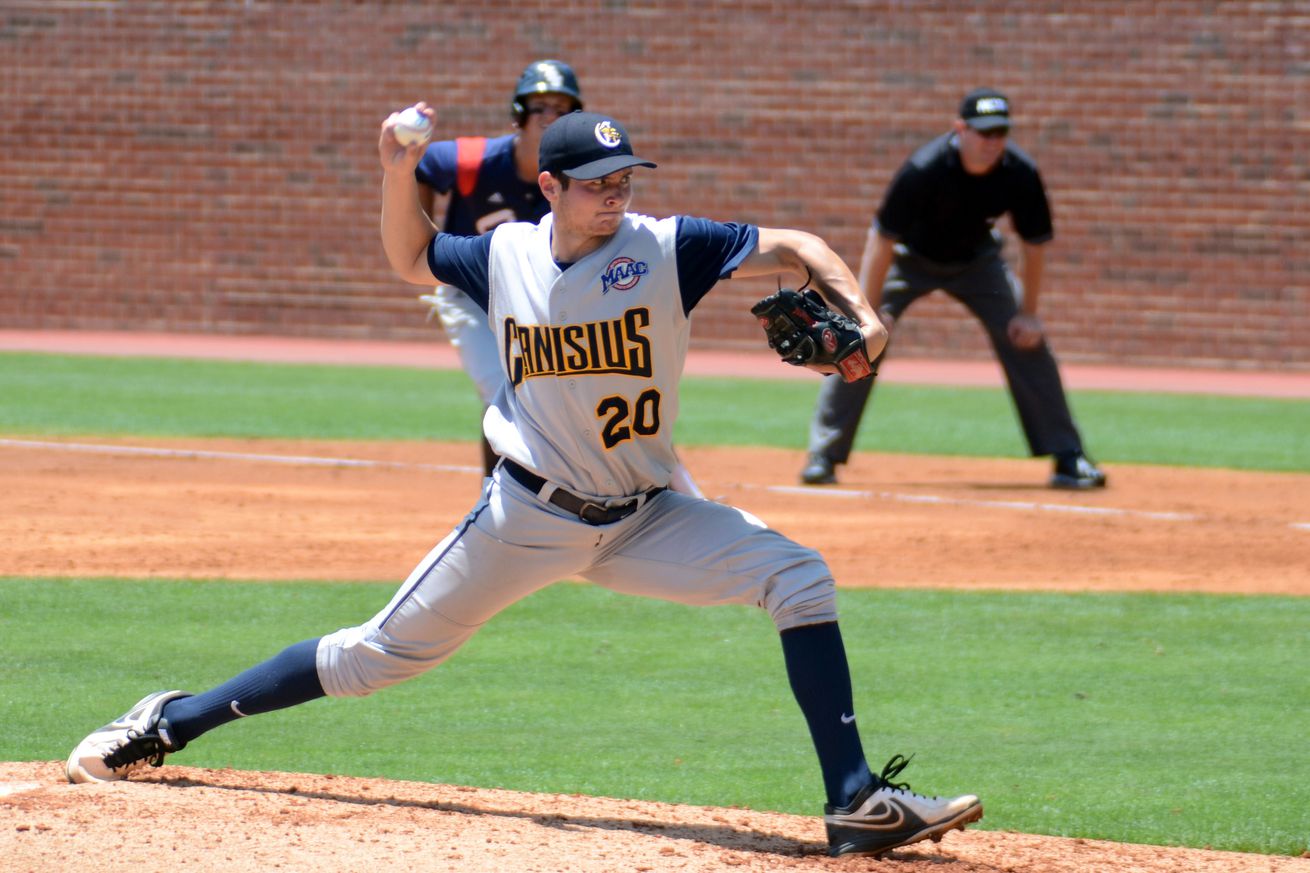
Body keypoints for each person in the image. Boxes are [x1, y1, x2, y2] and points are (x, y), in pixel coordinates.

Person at [65, 106, 983, 859]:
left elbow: (797, 243)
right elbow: (410, 256)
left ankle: (855, 798)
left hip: (649, 514)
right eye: (596, 184)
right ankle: (168, 721)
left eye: (625, 180)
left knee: (799, 576)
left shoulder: (667, 247)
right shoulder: (502, 256)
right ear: (549, 186)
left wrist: (863, 315)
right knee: (371, 658)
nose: (615, 196)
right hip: (528, 515)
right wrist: (397, 170)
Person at [414, 59, 703, 495]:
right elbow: (425, 165)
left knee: (608, 388)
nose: (550, 117)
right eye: (540, 107)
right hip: (473, 298)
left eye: (562, 108)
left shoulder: (579, 179)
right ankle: (496, 499)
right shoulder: (475, 160)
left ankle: (677, 494)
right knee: (509, 389)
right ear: (518, 114)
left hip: (544, 298)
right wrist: (431, 243)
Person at [799, 88, 1107, 491]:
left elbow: (1034, 247)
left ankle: (1069, 456)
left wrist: (1028, 313)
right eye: (982, 132)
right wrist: (867, 311)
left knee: (1027, 340)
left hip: (978, 263)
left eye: (1000, 133)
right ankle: (824, 453)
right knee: (860, 339)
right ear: (959, 129)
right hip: (909, 260)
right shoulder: (924, 169)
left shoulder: (1019, 173)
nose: (991, 142)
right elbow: (882, 240)